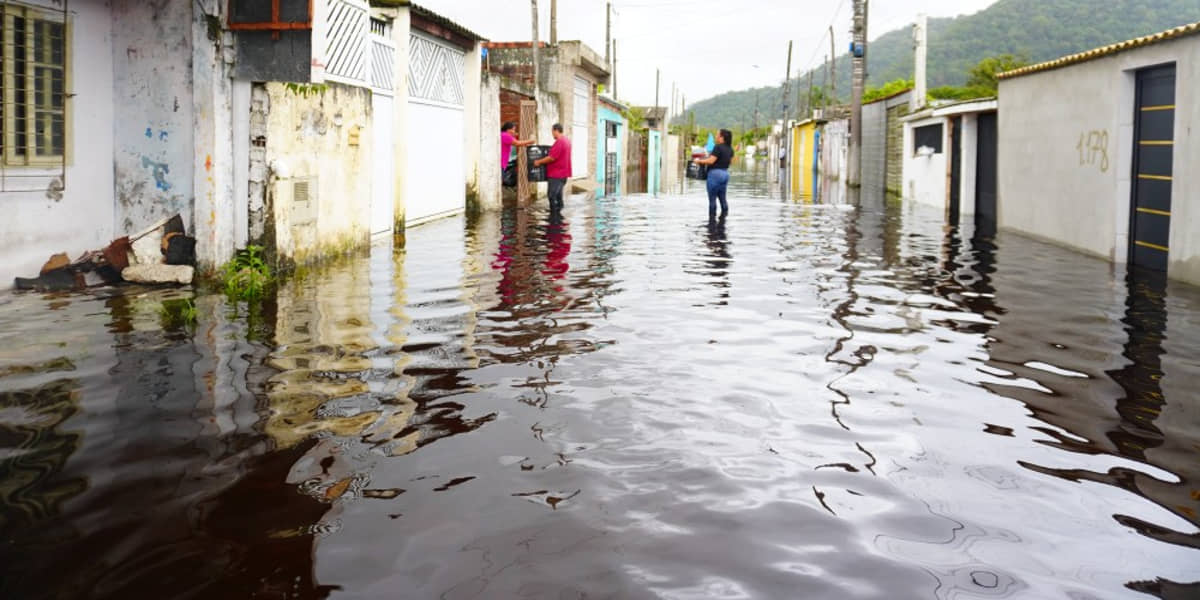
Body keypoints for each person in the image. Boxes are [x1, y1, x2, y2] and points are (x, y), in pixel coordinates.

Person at [693, 128, 733, 217]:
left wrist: (698, 161)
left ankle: (711, 224)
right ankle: (723, 220)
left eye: (717, 134)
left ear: (721, 137)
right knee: (723, 200)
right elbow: (730, 162)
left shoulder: (717, 147)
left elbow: (711, 161)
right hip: (725, 174)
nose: (716, 136)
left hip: (715, 175)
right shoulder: (730, 149)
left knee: (712, 200)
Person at [533, 123, 572, 211]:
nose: (552, 134)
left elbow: (551, 158)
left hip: (556, 175)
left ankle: (554, 218)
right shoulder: (567, 141)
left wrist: (538, 162)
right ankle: (559, 217)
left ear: (555, 130)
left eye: (552, 131)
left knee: (552, 196)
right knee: (558, 197)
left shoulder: (560, 142)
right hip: (563, 175)